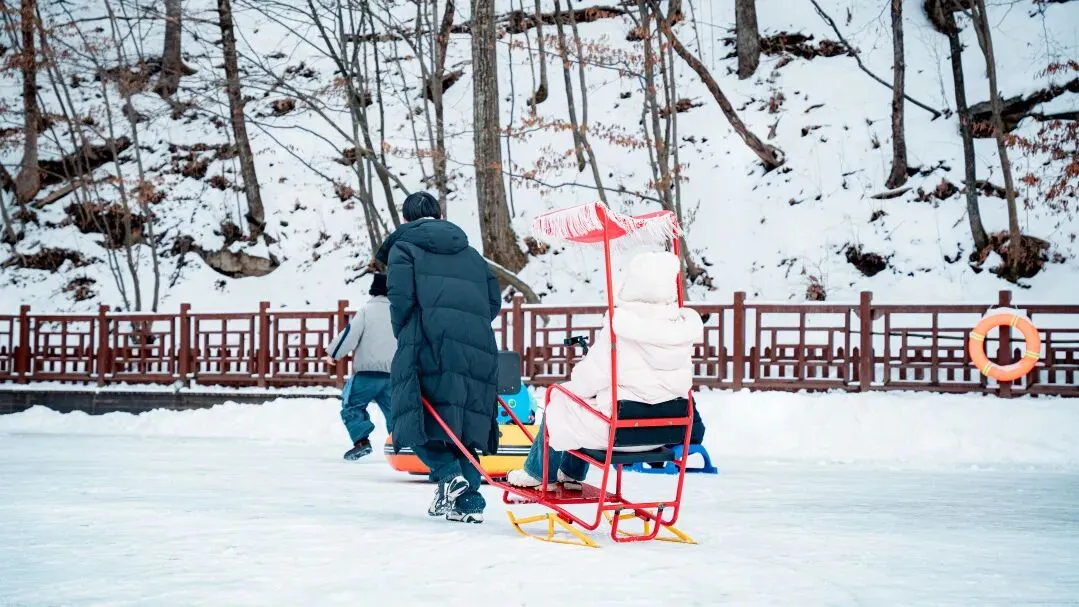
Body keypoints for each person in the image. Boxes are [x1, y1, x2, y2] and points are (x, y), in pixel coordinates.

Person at [507, 251, 703, 490]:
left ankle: (538, 473)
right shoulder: (680, 330)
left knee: (559, 398)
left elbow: (587, 381)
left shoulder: (621, 328)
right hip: (665, 432)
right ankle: (570, 473)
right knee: (580, 405)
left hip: (619, 434)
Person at [375, 191, 501, 524]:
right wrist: (469, 324)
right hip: (477, 345)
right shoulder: (471, 254)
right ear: (441, 215)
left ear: (405, 219)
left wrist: (408, 333)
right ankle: (467, 499)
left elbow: (401, 300)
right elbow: (493, 301)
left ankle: (449, 473)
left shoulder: (405, 248)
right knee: (461, 423)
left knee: (411, 417)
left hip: (425, 339)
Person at [325, 272, 396, 460]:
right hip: (393, 376)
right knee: (397, 413)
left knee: (352, 405)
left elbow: (349, 335)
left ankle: (361, 441)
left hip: (367, 375)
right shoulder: (401, 312)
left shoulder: (367, 311)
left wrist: (333, 354)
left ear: (373, 291)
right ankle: (403, 445)